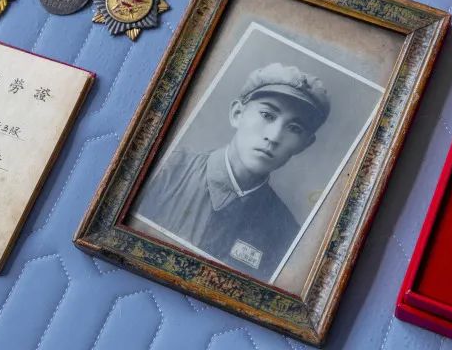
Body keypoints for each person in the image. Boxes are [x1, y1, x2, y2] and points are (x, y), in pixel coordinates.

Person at [136, 62, 331, 282]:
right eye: (267, 115)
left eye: (294, 128)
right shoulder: (164, 169)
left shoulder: (287, 234)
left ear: (304, 145)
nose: (274, 136)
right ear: (237, 114)